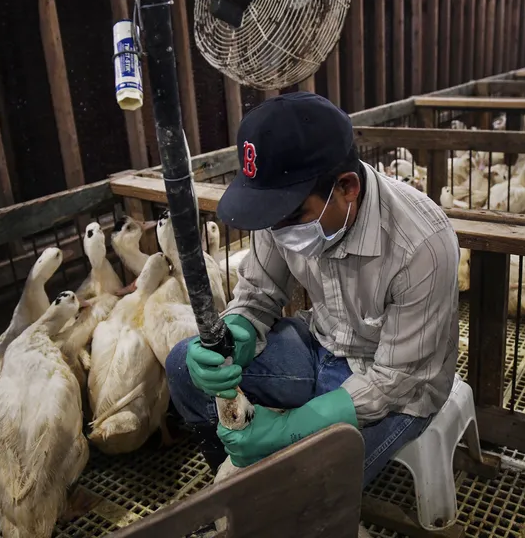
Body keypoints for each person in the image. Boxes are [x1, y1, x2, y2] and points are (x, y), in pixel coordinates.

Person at [165, 92, 459, 487]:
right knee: (183, 367)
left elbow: (397, 380)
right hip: (322, 344)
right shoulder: (280, 217)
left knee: (302, 486)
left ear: (347, 187)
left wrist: (289, 429)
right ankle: (233, 474)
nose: (277, 231)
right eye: (270, 218)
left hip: (398, 388)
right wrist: (237, 331)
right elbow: (257, 295)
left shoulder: (422, 245)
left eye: (291, 216)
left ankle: (273, 490)